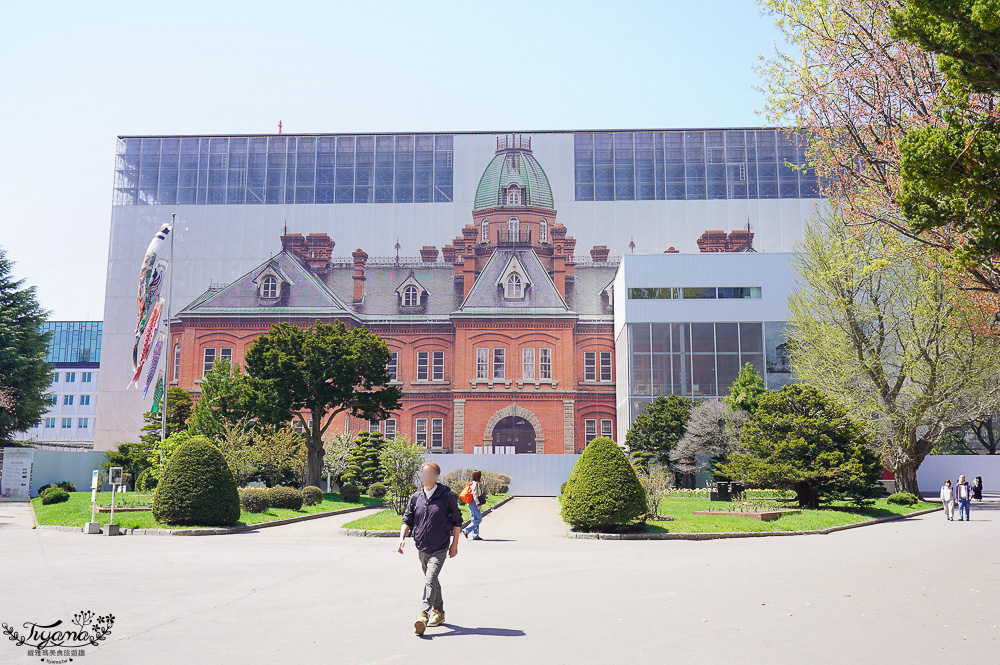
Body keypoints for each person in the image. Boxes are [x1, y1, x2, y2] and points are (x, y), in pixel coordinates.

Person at [398, 462, 463, 636]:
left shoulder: (445, 495)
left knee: (429, 579)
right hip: (422, 546)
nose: (424, 477)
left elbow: (457, 520)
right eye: (423, 474)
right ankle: (439, 612)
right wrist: (402, 538)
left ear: (435, 476)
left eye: (428, 474)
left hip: (440, 546)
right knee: (432, 580)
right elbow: (407, 519)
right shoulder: (416, 496)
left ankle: (423, 615)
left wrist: (454, 543)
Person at [461, 470, 485, 541]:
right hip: (474, 503)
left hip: (471, 503)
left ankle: (475, 535)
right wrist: (478, 504)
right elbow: (475, 495)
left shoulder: (473, 483)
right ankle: (466, 530)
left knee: (474, 519)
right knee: (478, 519)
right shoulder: (475, 485)